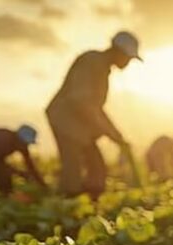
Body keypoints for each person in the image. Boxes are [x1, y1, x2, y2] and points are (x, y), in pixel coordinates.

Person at [46, 31, 142, 199]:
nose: (128, 62)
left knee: (97, 168)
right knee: (72, 170)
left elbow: (95, 108)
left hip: (77, 123)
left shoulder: (102, 67)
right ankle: (67, 203)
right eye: (128, 58)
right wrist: (111, 134)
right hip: (66, 120)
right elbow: (81, 102)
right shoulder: (92, 61)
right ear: (117, 51)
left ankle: (89, 202)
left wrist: (116, 135)